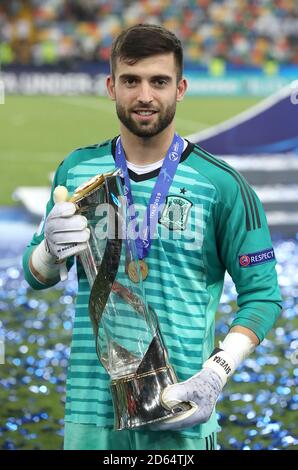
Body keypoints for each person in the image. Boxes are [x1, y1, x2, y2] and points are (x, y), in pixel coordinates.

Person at [23, 24, 282, 451]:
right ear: (111, 87)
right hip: (90, 419)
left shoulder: (223, 186)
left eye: (158, 81)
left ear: (180, 88)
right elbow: (36, 275)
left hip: (181, 414)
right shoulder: (76, 172)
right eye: (131, 81)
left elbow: (264, 296)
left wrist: (216, 372)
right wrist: (50, 252)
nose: (145, 95)